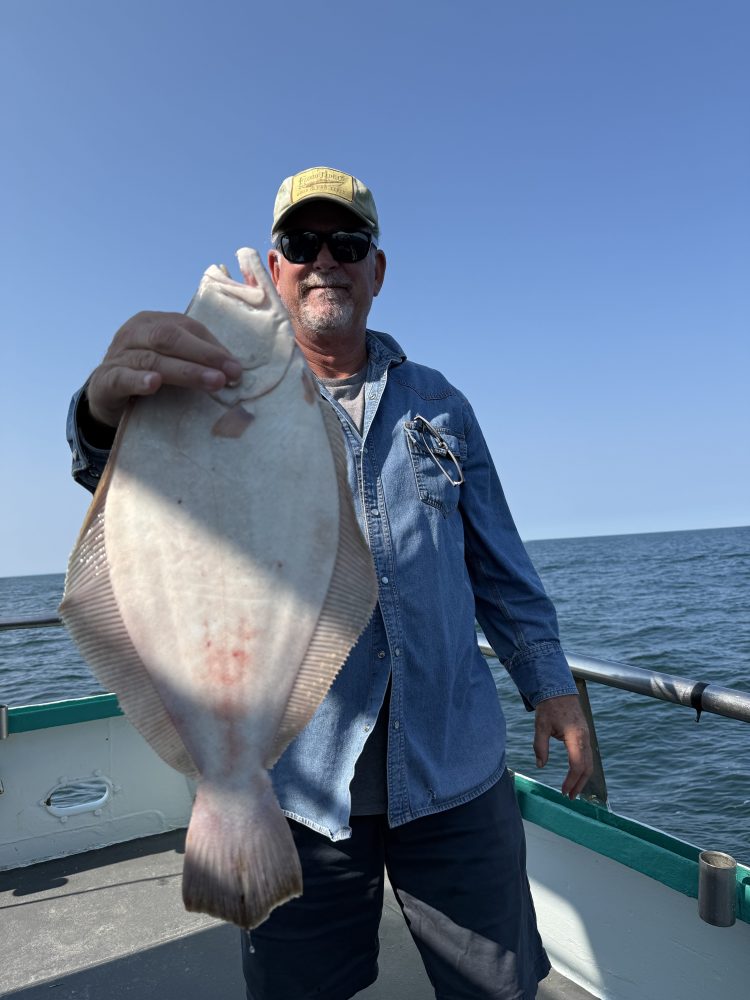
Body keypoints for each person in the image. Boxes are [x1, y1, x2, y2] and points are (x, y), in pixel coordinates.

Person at [67, 165, 593, 1000]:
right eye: (298, 243)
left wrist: (554, 687)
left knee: (499, 988)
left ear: (376, 271)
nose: (325, 259)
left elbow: (499, 562)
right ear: (275, 272)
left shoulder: (440, 403)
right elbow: (126, 482)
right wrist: (98, 412)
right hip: (297, 787)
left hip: (454, 772)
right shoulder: (201, 391)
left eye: (348, 243)